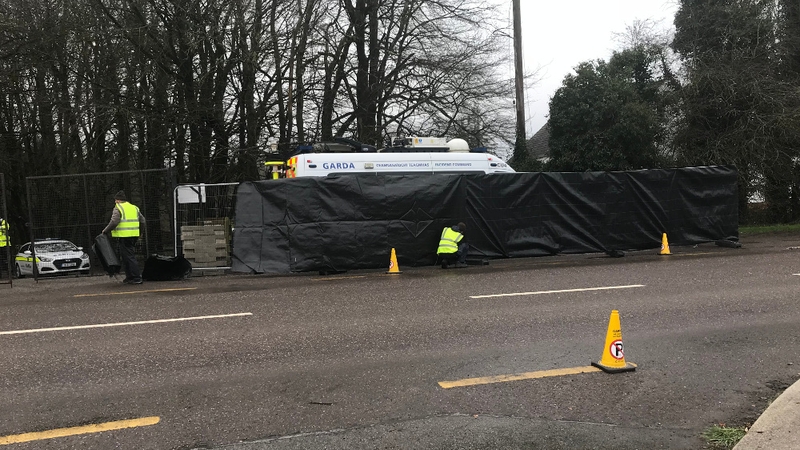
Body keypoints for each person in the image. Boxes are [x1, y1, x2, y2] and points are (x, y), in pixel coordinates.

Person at [102, 190, 146, 284]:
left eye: (115, 200)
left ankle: (136, 277)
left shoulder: (118, 208)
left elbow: (114, 221)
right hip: (133, 235)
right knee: (126, 256)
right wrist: (139, 233)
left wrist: (106, 231)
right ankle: (130, 277)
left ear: (118, 200)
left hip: (124, 236)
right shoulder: (134, 208)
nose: (115, 202)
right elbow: (143, 221)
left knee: (129, 257)